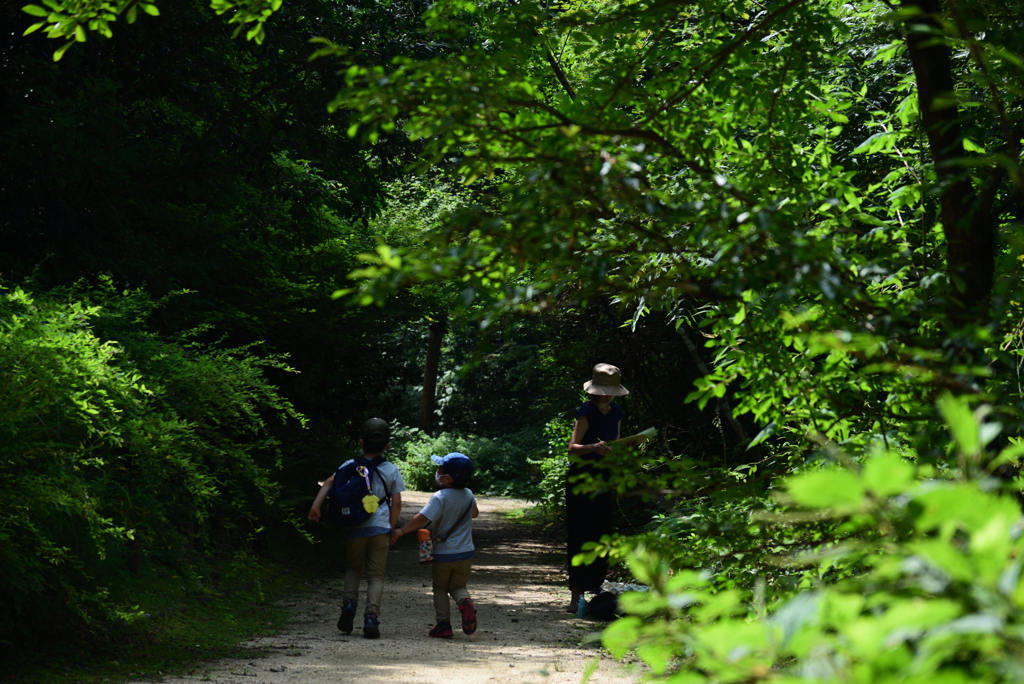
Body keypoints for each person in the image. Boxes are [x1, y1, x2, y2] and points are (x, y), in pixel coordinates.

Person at [308, 417, 406, 639]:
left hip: (355, 527)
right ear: (387, 446)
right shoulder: (390, 469)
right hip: (380, 529)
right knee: (376, 576)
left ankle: (349, 605)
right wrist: (392, 527)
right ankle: (371, 617)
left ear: (361, 442)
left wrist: (316, 506)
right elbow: (397, 502)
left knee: (353, 568)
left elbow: (330, 482)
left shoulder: (350, 465)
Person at [391, 452, 479, 638]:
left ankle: (443, 625)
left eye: (441, 470)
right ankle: (465, 602)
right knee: (458, 585)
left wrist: (401, 531)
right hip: (465, 552)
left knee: (440, 587)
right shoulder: (469, 494)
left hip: (444, 553)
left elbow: (421, 518)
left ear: (448, 478)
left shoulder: (440, 497)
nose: (437, 472)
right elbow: (474, 514)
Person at [565, 363, 628, 614]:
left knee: (601, 536)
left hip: (603, 480)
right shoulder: (586, 411)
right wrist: (593, 447)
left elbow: (618, 444)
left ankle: (595, 595)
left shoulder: (616, 412)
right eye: (603, 390)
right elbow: (572, 450)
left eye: (611, 391)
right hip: (581, 482)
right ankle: (575, 595)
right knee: (580, 536)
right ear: (594, 390)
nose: (607, 395)